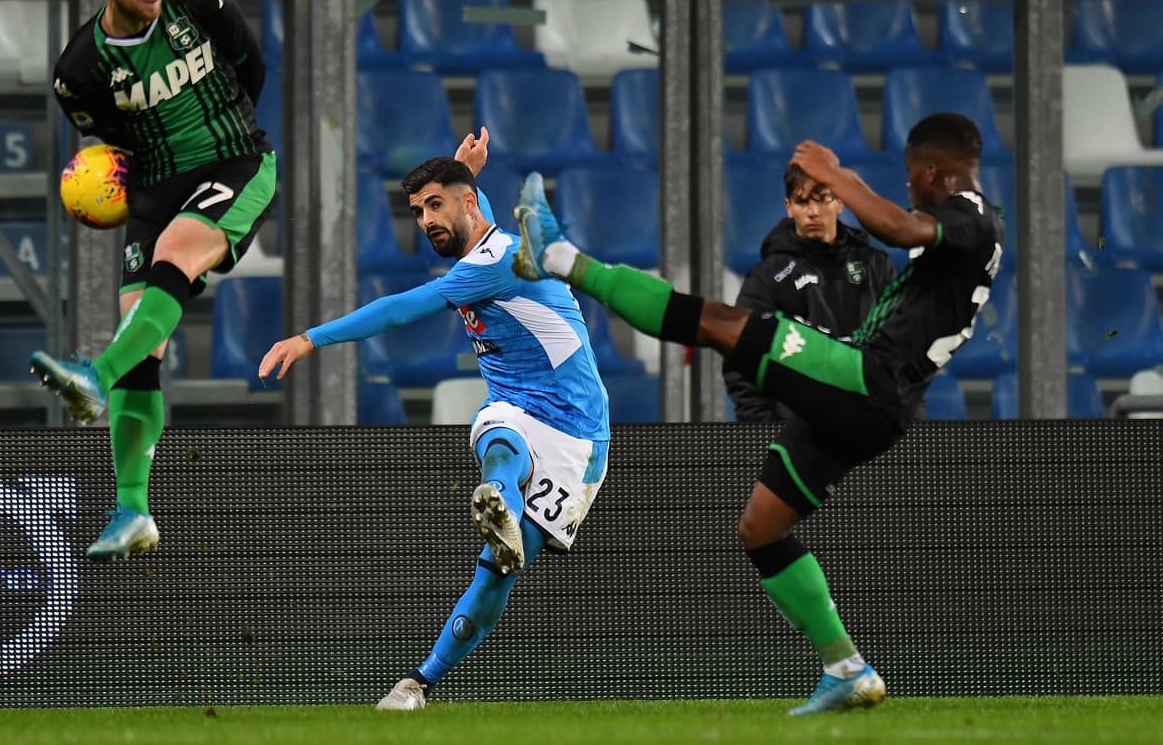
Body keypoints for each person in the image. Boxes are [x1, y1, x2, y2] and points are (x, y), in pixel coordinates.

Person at [511, 112, 1003, 714]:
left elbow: (899, 228)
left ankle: (559, 257)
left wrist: (837, 176)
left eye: (910, 177)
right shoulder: (970, 227)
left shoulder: (972, 215)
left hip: (867, 379)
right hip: (875, 401)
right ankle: (845, 666)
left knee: (718, 322)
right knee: (762, 528)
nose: (908, 187)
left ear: (934, 171)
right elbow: (906, 232)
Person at [258, 128, 610, 711]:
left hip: (579, 433)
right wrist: (463, 169)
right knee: (498, 434)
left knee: (499, 572)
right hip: (519, 405)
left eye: (436, 204)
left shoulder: (491, 266)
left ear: (468, 201)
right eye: (418, 210)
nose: (424, 220)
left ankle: (495, 525)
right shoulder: (489, 240)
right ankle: (419, 680)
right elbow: (481, 224)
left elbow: (402, 308)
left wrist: (309, 338)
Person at [28, 0, 276, 561]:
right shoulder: (78, 71)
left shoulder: (200, 2)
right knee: (143, 335)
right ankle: (133, 507)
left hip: (235, 161)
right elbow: (112, 144)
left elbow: (252, 69)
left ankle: (93, 374)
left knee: (174, 256)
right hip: (154, 194)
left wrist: (223, 135)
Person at [725, 168, 896, 422]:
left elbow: (906, 347)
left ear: (839, 202)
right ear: (789, 207)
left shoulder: (876, 267)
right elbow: (741, 356)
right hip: (800, 436)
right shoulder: (767, 279)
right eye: (802, 202)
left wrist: (905, 417)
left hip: (873, 427)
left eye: (822, 199)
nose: (813, 212)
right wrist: (763, 430)